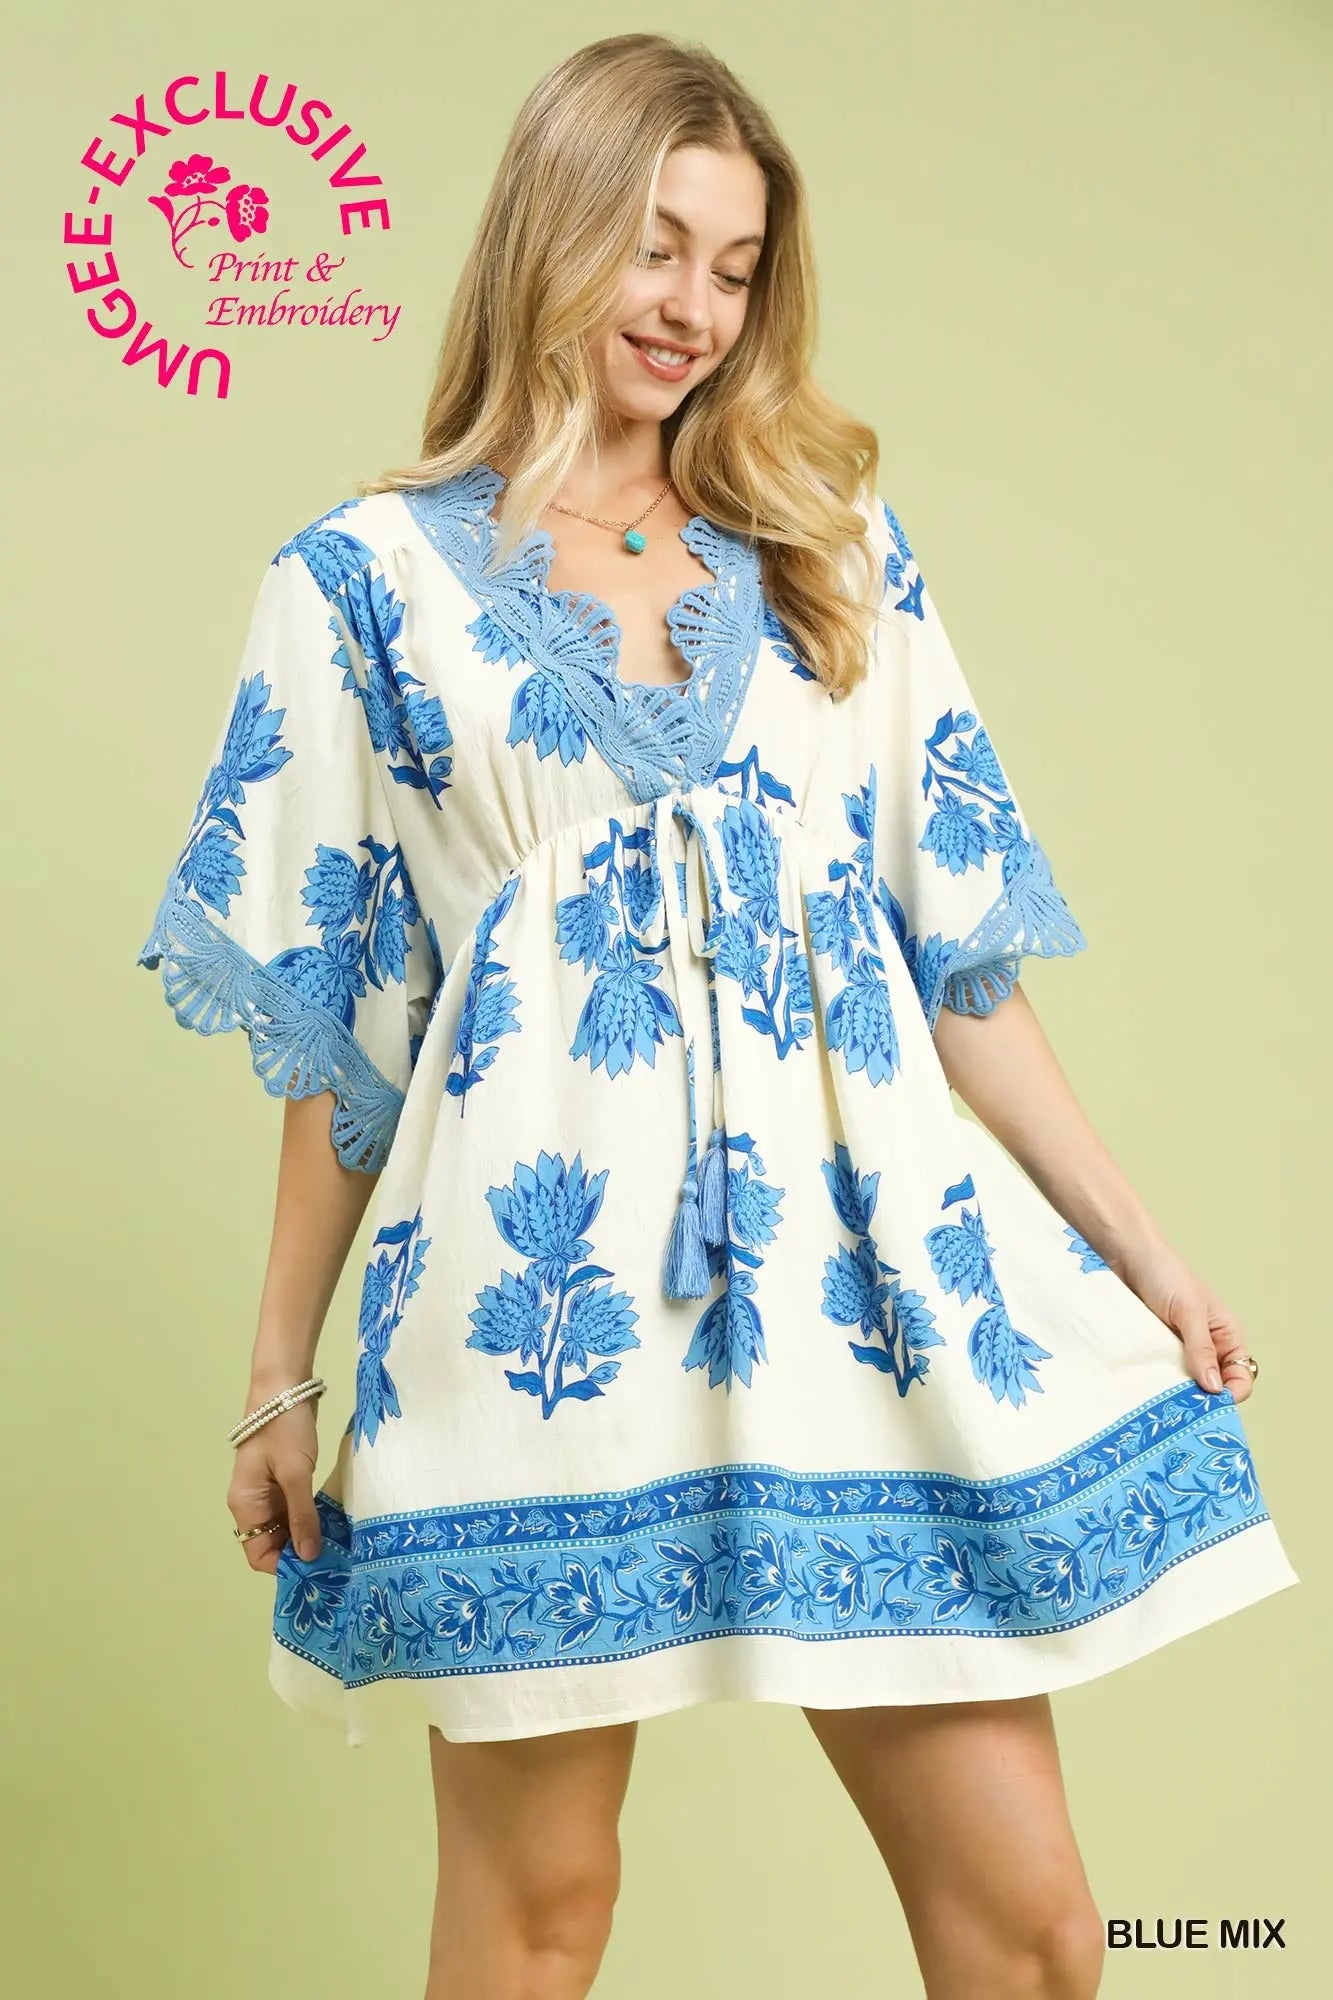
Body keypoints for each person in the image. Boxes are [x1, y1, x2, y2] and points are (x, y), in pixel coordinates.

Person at [135, 31, 1298, 2000]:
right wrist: (277, 1373)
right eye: (654, 246)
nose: (692, 306)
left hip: (858, 1291)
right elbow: (348, 1017)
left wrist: (1146, 1253)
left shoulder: (834, 547)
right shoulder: (360, 586)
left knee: (1035, 1935)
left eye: (736, 268)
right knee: (537, 1926)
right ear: (551, 233)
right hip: (538, 1308)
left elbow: (958, 967)